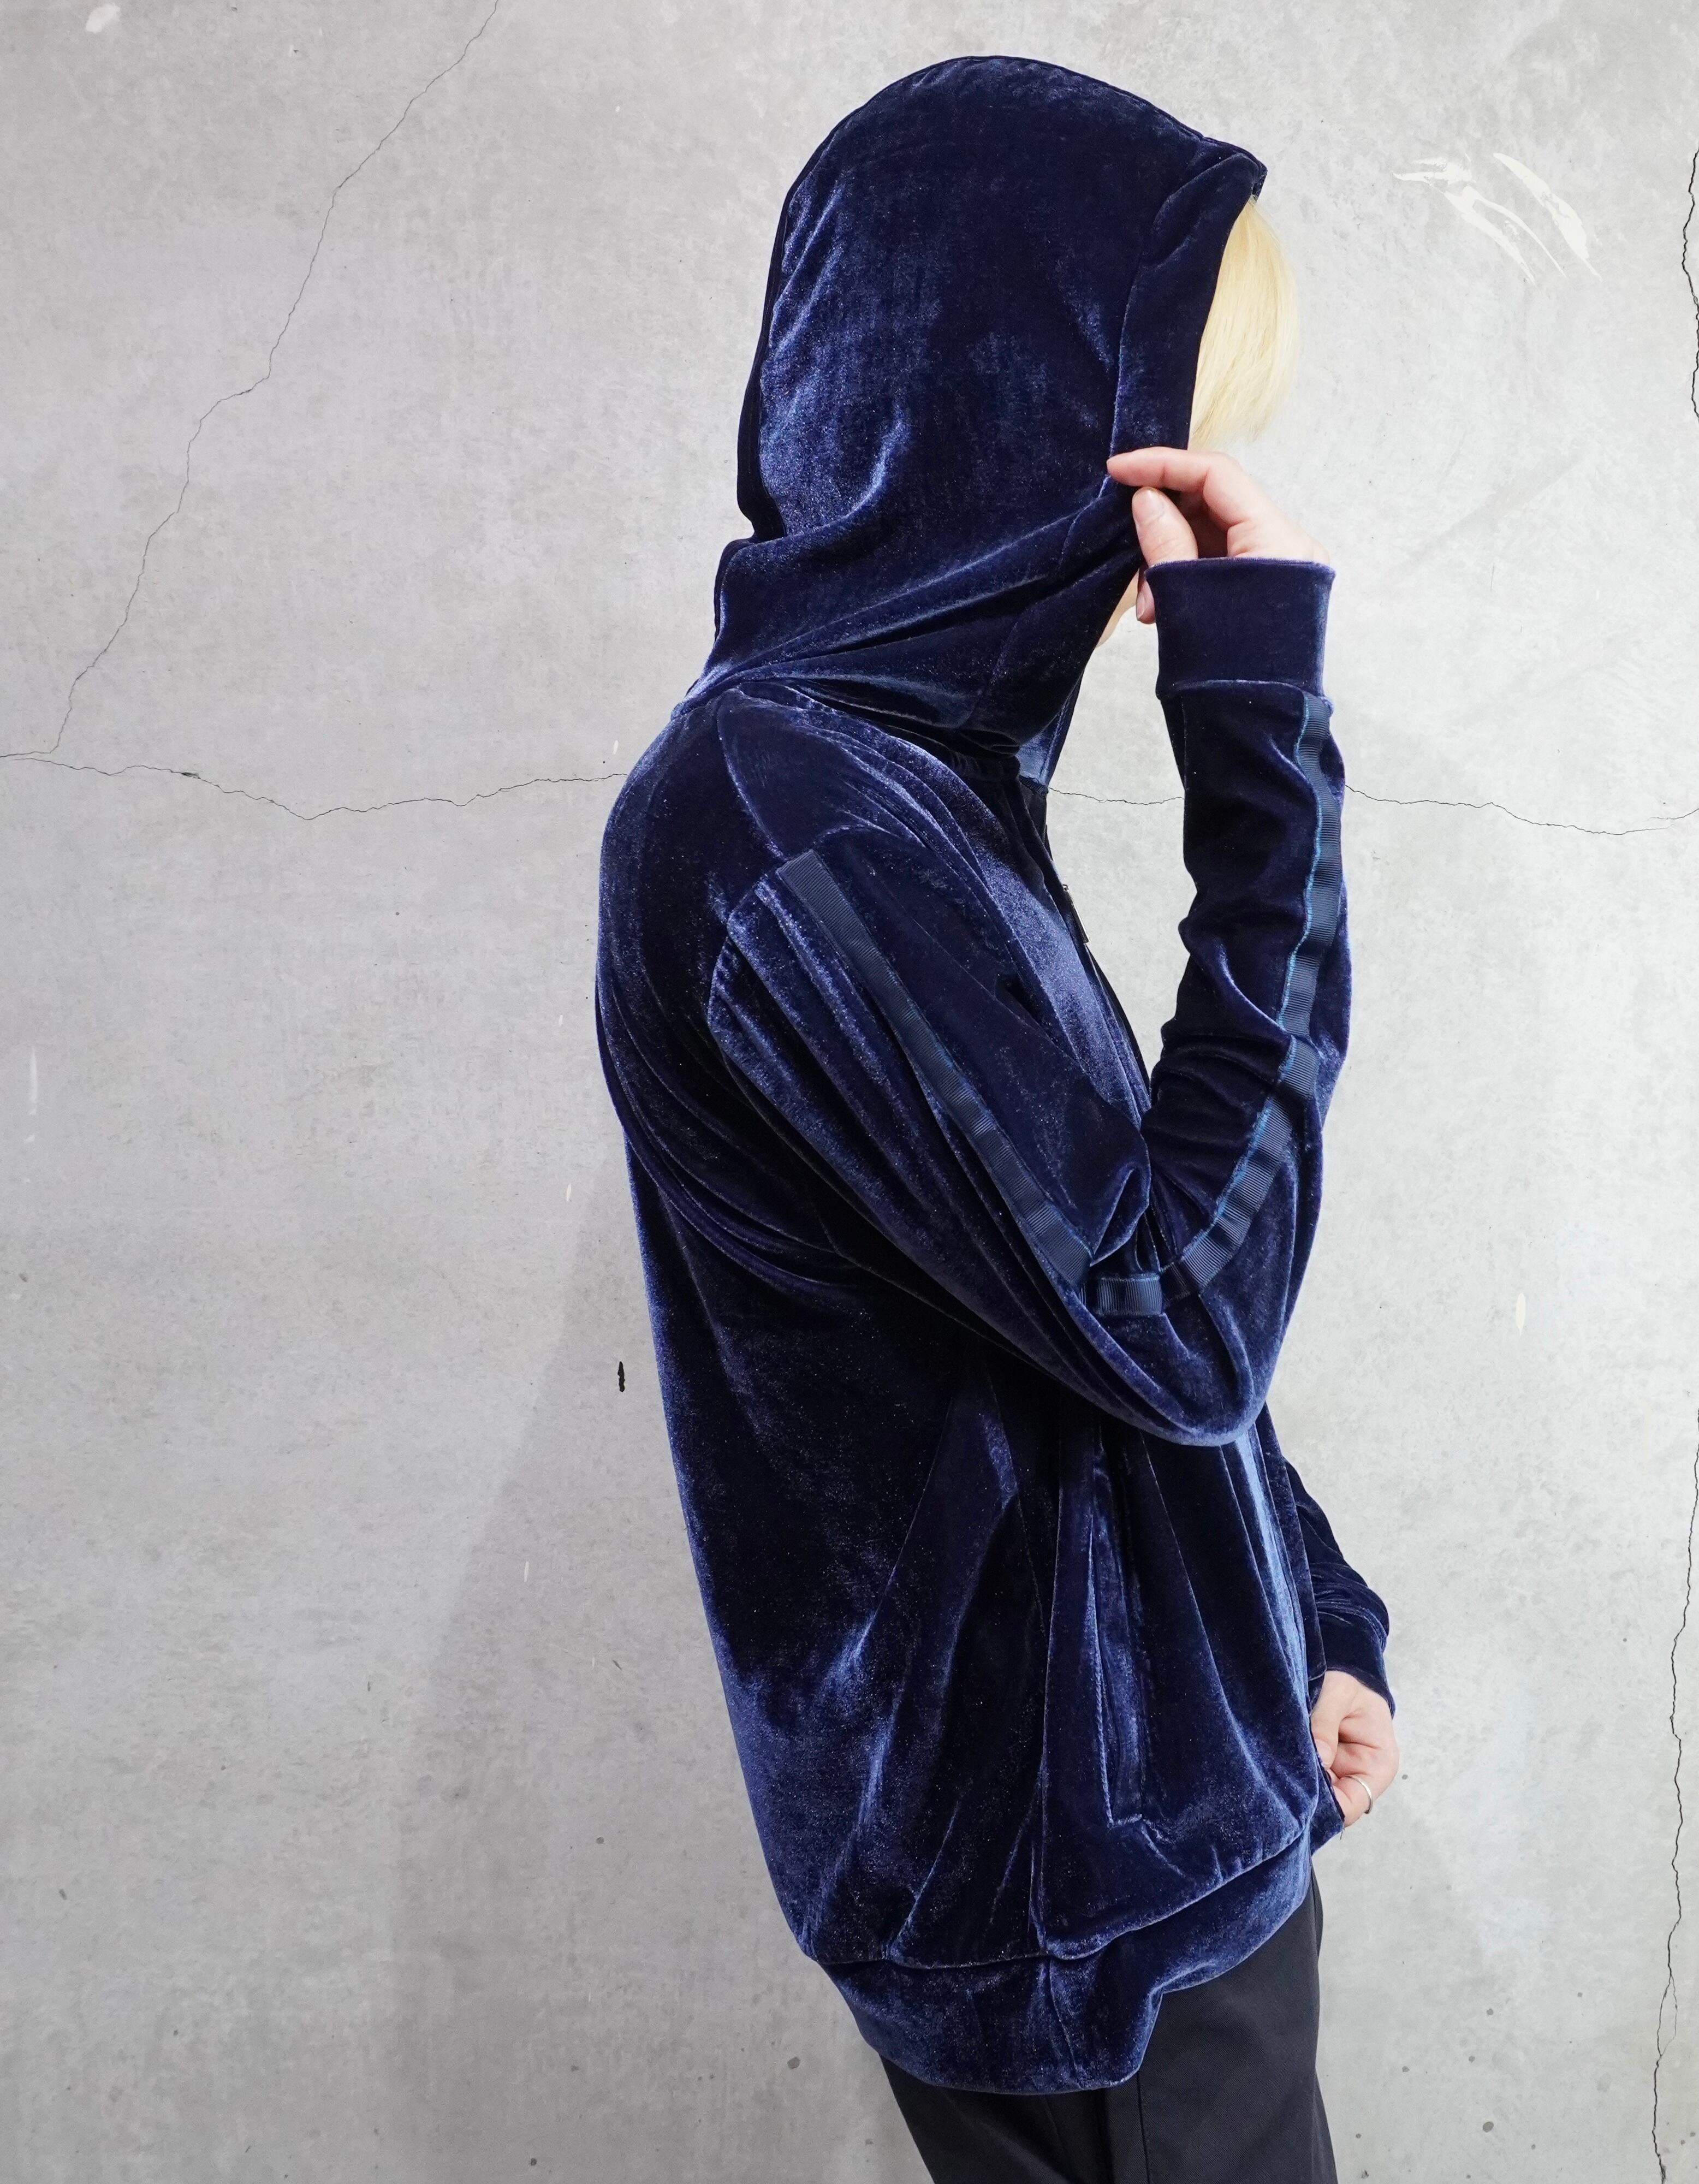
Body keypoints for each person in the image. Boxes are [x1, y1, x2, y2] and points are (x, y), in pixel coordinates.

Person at [593, 54, 1395, 2184]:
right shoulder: (790, 820)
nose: (1169, 549)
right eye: (1163, 455)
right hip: (1085, 1914)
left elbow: (1087, 1285)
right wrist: (1261, 736)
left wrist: (1302, 1611)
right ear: (1021, 428)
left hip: (1140, 1861)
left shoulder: (901, 798)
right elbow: (1174, 1320)